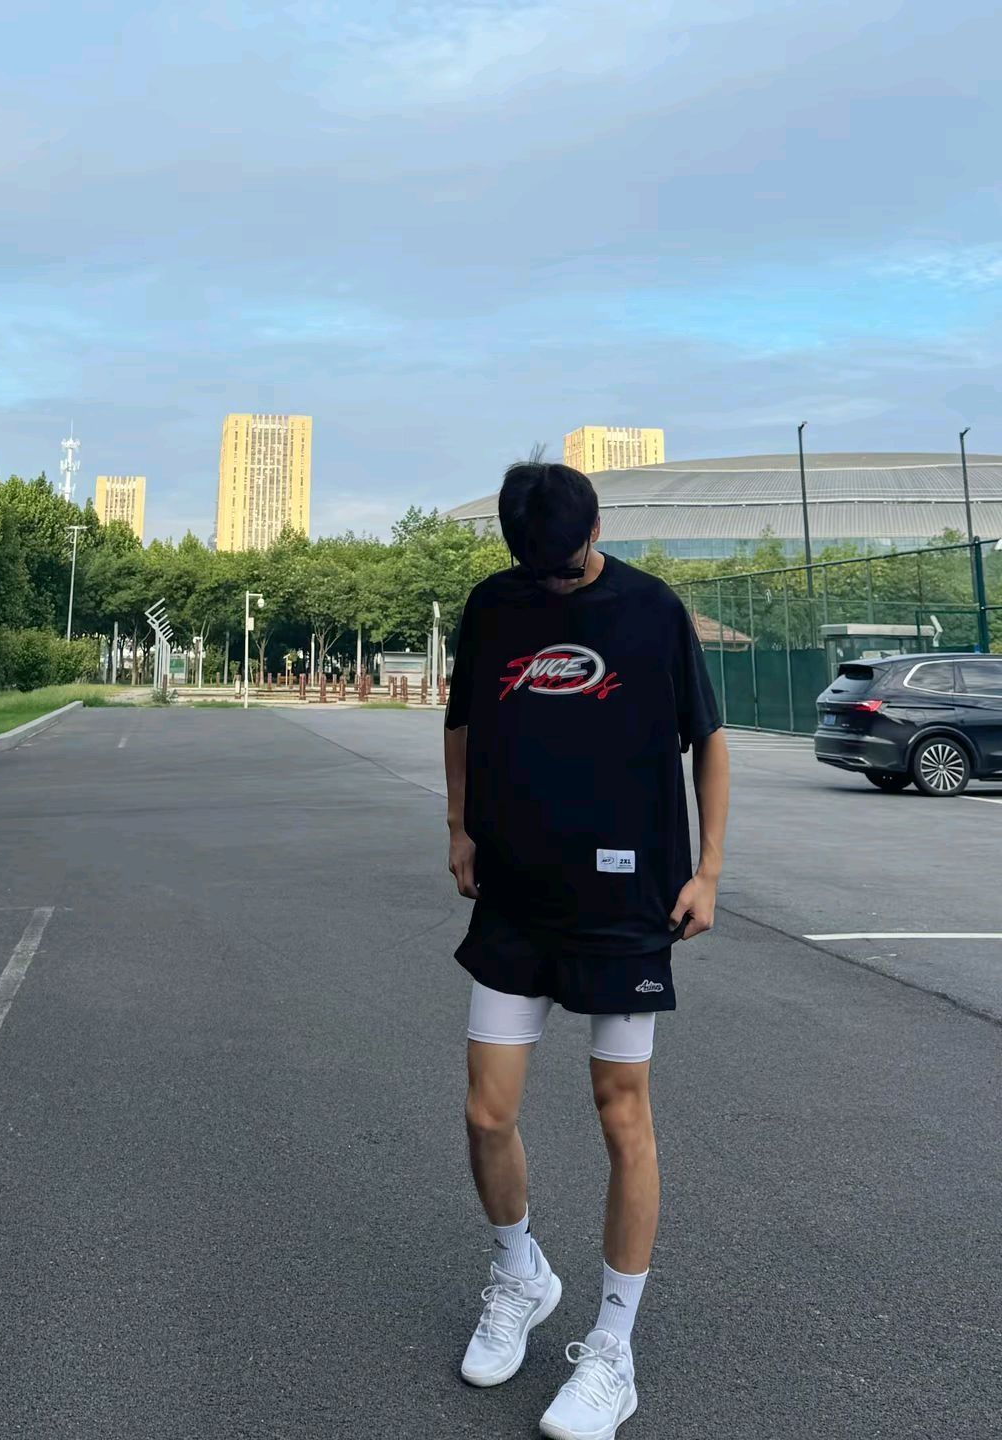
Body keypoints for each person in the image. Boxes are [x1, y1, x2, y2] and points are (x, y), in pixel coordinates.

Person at [444, 456, 730, 1439]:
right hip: (516, 897)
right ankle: (520, 1273)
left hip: (626, 901)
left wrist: (709, 870)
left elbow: (709, 738)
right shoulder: (494, 606)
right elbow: (463, 718)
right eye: (539, 568)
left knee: (622, 1113)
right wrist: (458, 826)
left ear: (595, 532)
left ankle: (613, 1348)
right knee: (487, 1110)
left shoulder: (653, 610)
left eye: (566, 566)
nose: (555, 582)